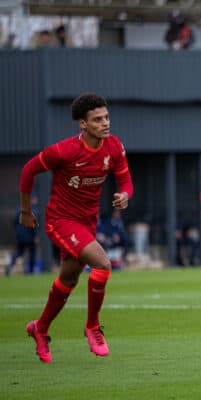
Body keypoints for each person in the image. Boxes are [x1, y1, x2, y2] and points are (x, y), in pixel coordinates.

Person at [19, 93, 133, 363]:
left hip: (87, 222)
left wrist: (125, 195)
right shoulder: (65, 151)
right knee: (103, 264)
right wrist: (25, 211)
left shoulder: (114, 146)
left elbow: (126, 182)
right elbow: (27, 170)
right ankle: (92, 326)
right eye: (97, 120)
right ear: (82, 124)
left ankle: (40, 328)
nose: (105, 123)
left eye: (106, 117)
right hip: (60, 220)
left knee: (69, 279)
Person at [6, 196, 40, 276]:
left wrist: (18, 233)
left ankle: (10, 266)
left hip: (20, 236)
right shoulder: (33, 210)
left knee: (19, 252)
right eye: (34, 200)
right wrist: (35, 236)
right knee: (32, 254)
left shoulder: (19, 210)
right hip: (30, 237)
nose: (36, 201)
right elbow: (33, 224)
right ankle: (31, 272)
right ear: (31, 200)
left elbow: (14, 222)